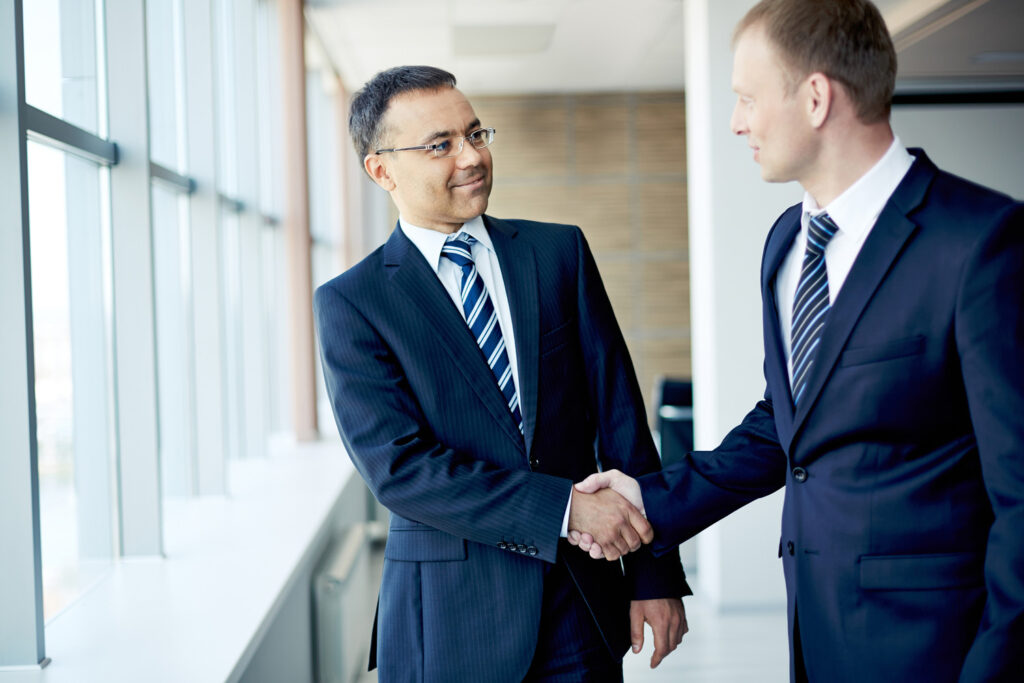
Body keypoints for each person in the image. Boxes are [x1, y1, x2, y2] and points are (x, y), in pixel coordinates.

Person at [568, 1, 1024, 681]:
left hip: (937, 649)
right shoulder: (787, 242)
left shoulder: (982, 243)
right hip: (816, 636)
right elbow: (787, 425)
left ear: (815, 97)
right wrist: (648, 500)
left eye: (747, 98)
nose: (736, 122)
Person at [313, 65, 688, 682]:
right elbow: (400, 470)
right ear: (381, 170)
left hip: (579, 605)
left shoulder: (557, 254)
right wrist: (563, 509)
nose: (472, 156)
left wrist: (654, 574)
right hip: (450, 622)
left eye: (476, 133)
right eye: (441, 145)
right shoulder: (353, 303)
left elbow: (621, 420)